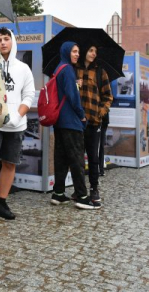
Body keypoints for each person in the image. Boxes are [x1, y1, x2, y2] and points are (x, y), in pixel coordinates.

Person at [0, 27, 35, 220]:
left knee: (9, 163)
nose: (2, 42)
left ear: (13, 42)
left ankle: (1, 203)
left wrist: (18, 116)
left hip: (16, 124)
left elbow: (28, 96)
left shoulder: (23, 68)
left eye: (6, 39)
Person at [50, 42, 96, 209]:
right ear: (66, 52)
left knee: (61, 158)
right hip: (70, 121)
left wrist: (74, 84)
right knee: (77, 158)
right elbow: (72, 97)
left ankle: (59, 193)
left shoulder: (59, 68)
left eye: (78, 51)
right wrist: (82, 115)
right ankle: (82, 196)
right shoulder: (68, 69)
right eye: (74, 51)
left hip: (59, 121)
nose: (77, 54)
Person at [75, 45, 113, 205]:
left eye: (95, 52)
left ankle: (94, 188)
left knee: (93, 157)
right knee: (77, 157)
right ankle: (80, 191)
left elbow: (108, 96)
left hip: (93, 120)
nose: (93, 54)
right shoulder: (74, 69)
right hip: (76, 120)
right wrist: (75, 84)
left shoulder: (100, 71)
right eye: (90, 50)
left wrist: (101, 112)